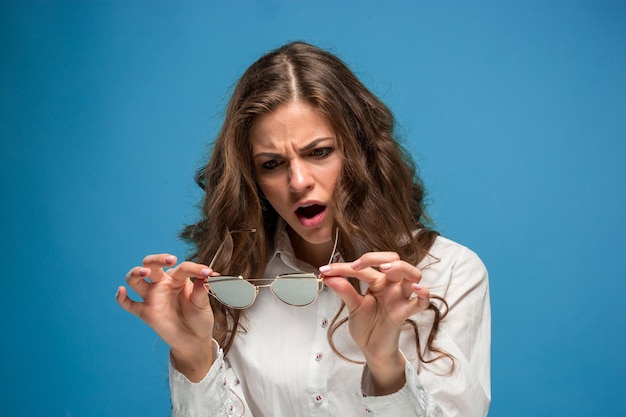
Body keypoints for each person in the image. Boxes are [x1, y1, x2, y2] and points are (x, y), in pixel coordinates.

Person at [116, 41, 491, 417]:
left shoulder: (450, 272)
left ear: (359, 152)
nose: (298, 181)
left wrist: (385, 365)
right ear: (252, 178)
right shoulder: (228, 284)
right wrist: (194, 355)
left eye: (319, 152)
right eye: (272, 163)